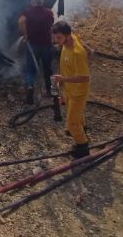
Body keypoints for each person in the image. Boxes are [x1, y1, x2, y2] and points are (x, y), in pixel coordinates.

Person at [50, 21, 91, 159]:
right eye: (55, 37)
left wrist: (63, 79)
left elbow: (84, 77)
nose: (56, 41)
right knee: (74, 113)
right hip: (69, 89)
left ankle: (82, 146)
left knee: (72, 123)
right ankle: (82, 129)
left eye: (59, 38)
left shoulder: (77, 53)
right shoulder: (70, 39)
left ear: (67, 36)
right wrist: (90, 50)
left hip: (78, 91)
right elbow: (80, 40)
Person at [18, 0, 56, 106]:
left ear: (32, 1)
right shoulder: (49, 13)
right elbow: (51, 27)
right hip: (47, 45)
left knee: (30, 69)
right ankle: (50, 91)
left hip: (33, 45)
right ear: (42, 1)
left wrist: (25, 35)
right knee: (47, 69)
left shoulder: (27, 12)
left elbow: (21, 21)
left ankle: (30, 87)